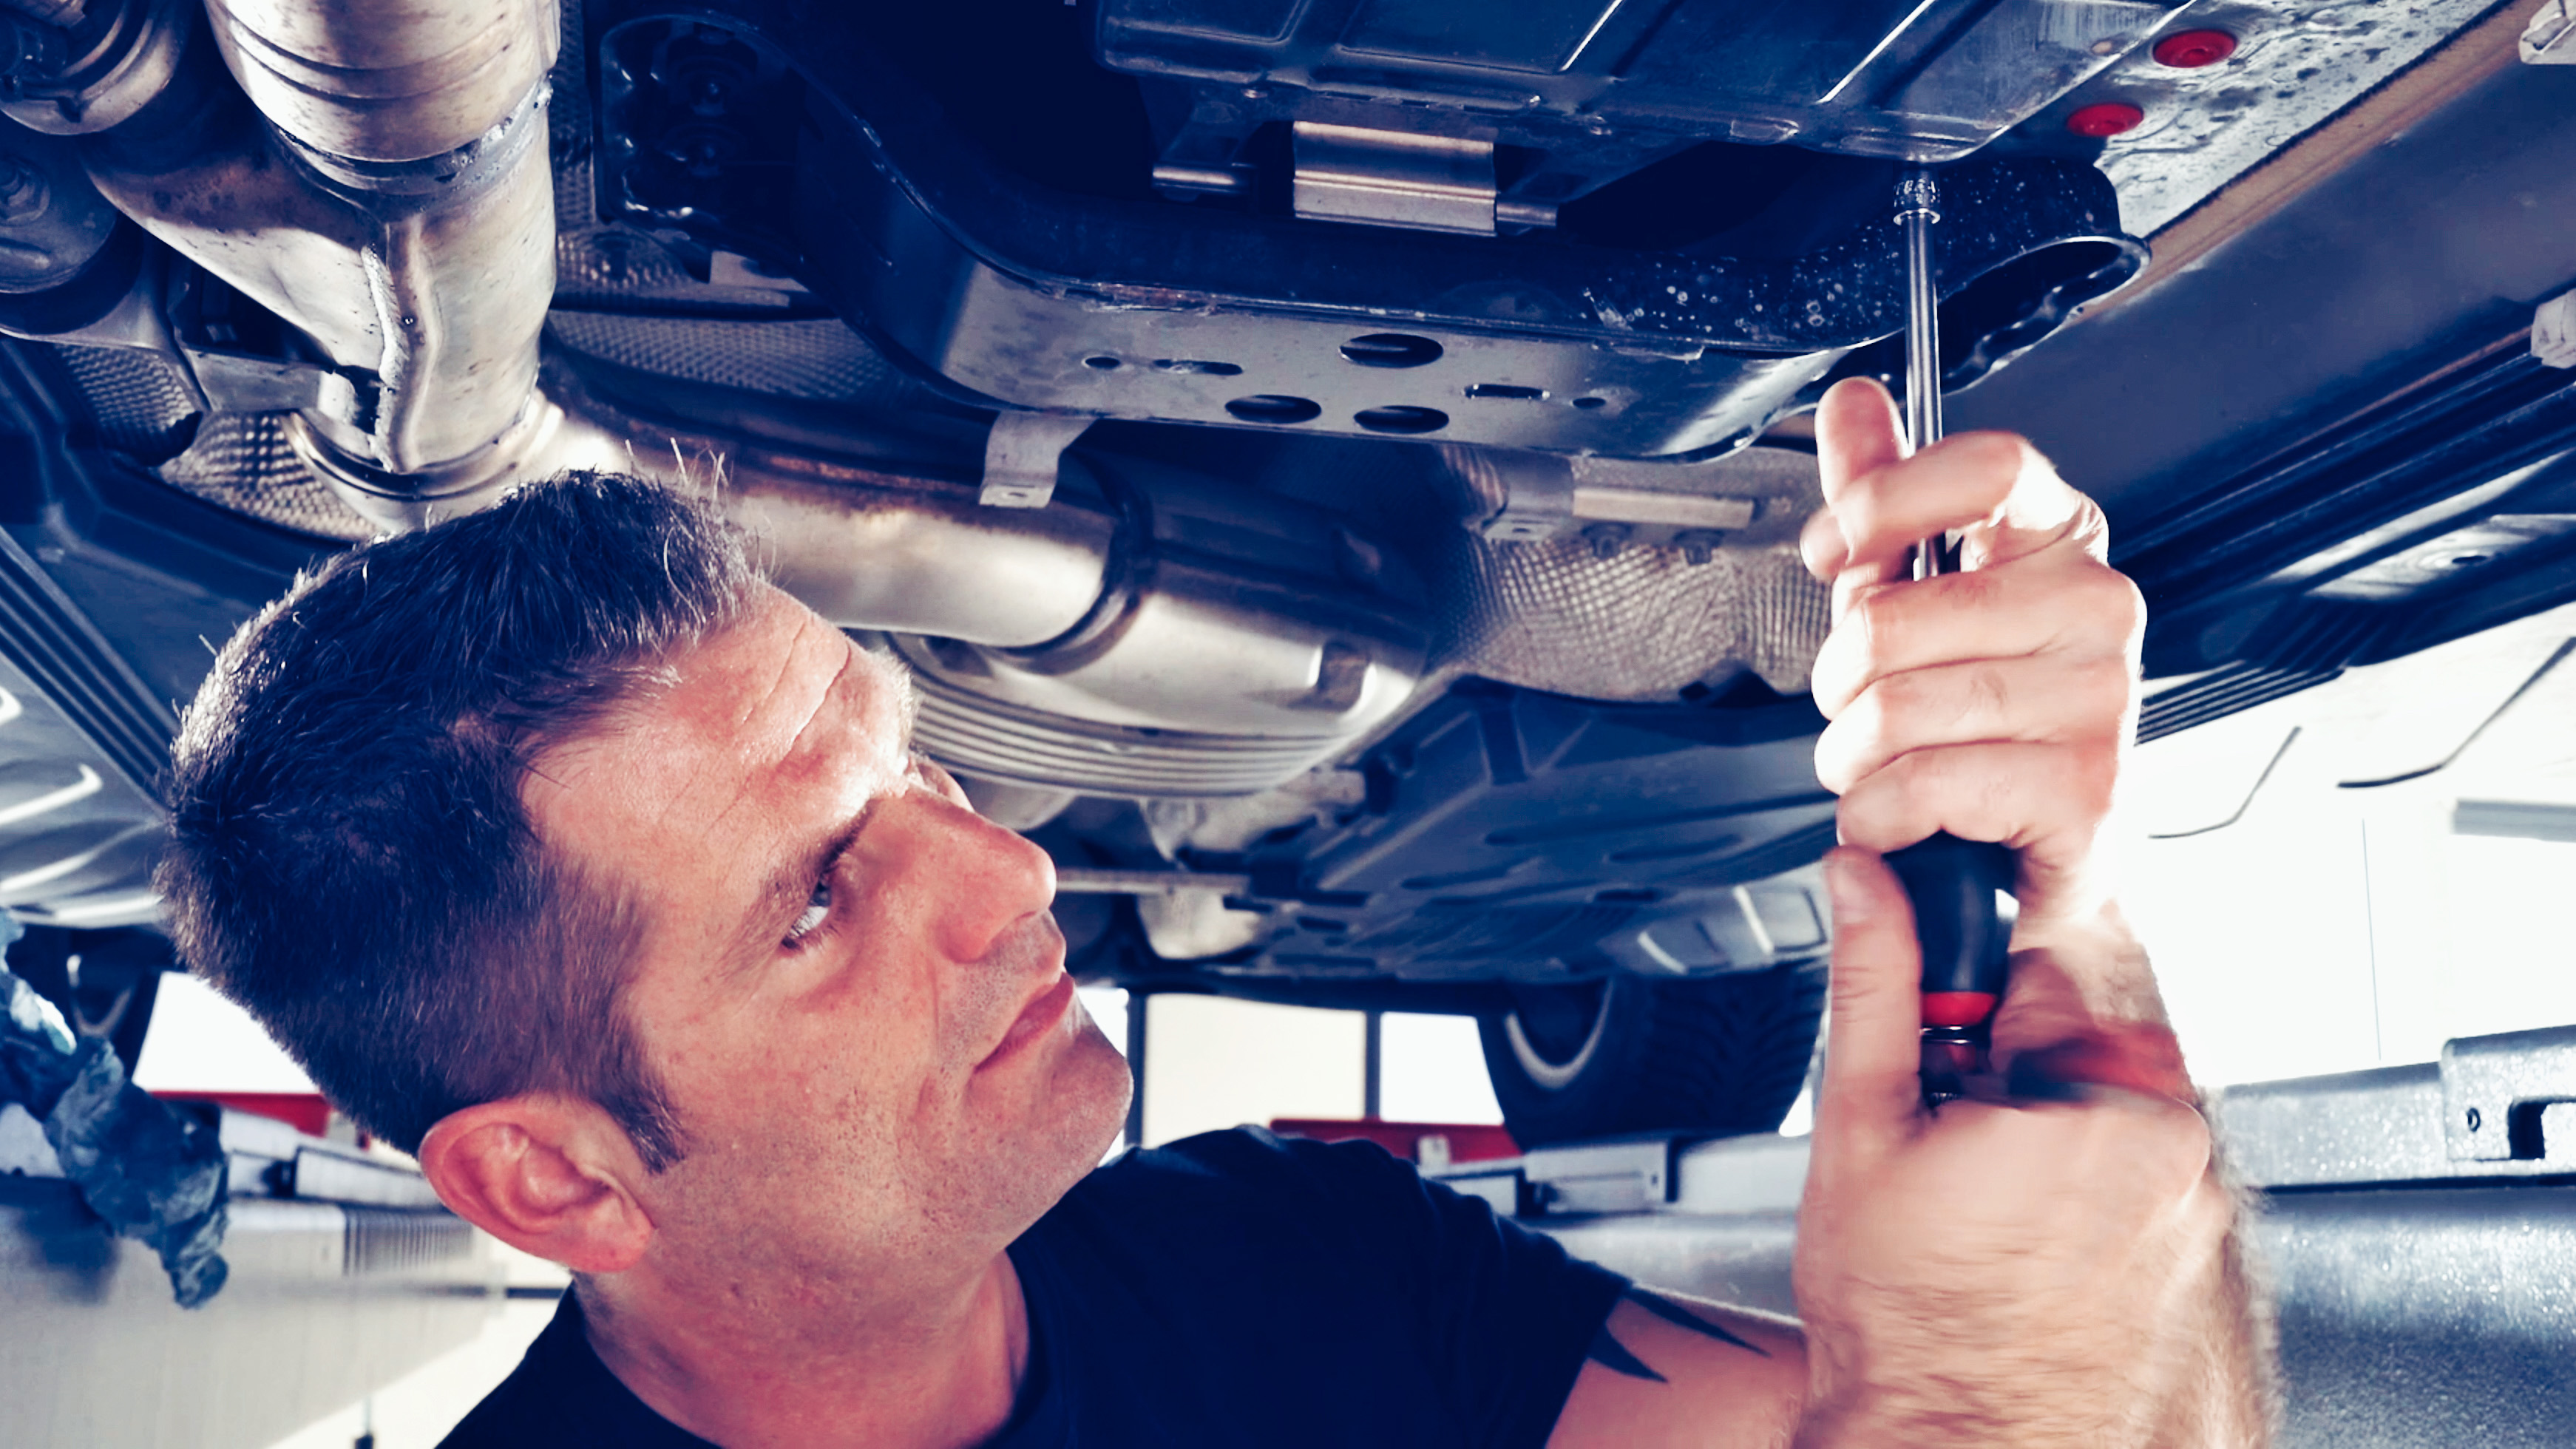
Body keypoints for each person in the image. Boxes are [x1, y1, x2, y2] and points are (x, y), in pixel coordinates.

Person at [156, 377, 2273, 1448]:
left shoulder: (1290, 1266)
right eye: (814, 901)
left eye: (915, 769)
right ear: (556, 1176)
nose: (1004, 877)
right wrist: (1987, 1389)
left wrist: (2049, 908)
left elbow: (2072, 1397)